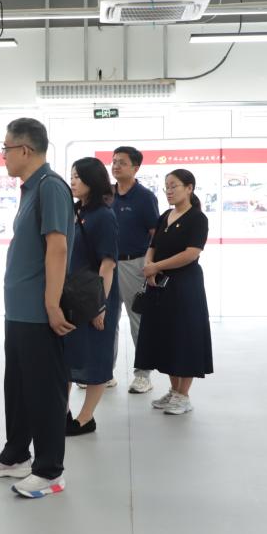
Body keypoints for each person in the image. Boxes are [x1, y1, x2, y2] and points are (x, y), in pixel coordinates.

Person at [0, 117, 74, 499]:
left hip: (38, 313)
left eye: (5, 148)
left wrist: (51, 303)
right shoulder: (30, 189)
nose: (2, 155)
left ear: (24, 149)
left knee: (44, 392)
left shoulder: (51, 187)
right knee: (17, 388)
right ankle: (16, 454)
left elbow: (58, 247)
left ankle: (49, 471)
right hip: (18, 311)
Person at [133, 169, 213, 415]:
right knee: (166, 336)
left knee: (185, 336)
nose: (169, 191)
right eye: (166, 186)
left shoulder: (197, 218)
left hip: (185, 285)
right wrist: (150, 266)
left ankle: (183, 395)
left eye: (174, 186)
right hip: (160, 284)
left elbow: (191, 253)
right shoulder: (165, 216)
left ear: (189, 188)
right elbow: (153, 245)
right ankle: (174, 390)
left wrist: (157, 266)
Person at [64, 157, 119, 435]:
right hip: (72, 294)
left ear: (92, 181)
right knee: (67, 355)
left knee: (96, 355)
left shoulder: (104, 216)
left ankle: (86, 418)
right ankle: (63, 412)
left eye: (78, 176)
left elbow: (107, 264)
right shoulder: (75, 211)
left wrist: (101, 306)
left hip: (95, 295)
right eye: (72, 176)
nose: (73, 181)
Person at [110, 146, 160, 394]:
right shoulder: (107, 195)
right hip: (107, 264)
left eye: (122, 162)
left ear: (136, 167)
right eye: (114, 161)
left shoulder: (144, 197)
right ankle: (104, 372)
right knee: (106, 320)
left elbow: (155, 234)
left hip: (134, 264)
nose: (116, 166)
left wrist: (151, 266)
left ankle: (143, 375)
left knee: (137, 319)